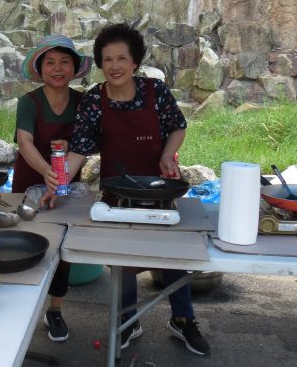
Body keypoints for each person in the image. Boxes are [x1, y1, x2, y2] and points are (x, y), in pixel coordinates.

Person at [62, 23, 210, 356]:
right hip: (118, 192)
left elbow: (177, 127)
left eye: (122, 58)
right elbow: (79, 149)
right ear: (100, 63)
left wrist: (167, 153)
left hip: (160, 189)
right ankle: (128, 319)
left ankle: (183, 320)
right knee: (122, 259)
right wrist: (56, 184)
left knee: (172, 256)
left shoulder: (155, 92)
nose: (114, 66)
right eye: (107, 59)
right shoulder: (94, 101)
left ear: (135, 61)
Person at [11, 34, 92, 342]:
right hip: (28, 182)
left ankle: (54, 310)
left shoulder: (84, 102)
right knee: (25, 243)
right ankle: (19, 308)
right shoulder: (28, 102)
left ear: (74, 68)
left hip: (67, 183)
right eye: (50, 62)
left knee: (64, 247)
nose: (57, 68)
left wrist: (61, 175)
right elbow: (25, 141)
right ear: (40, 68)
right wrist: (46, 171)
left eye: (64, 62)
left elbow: (87, 142)